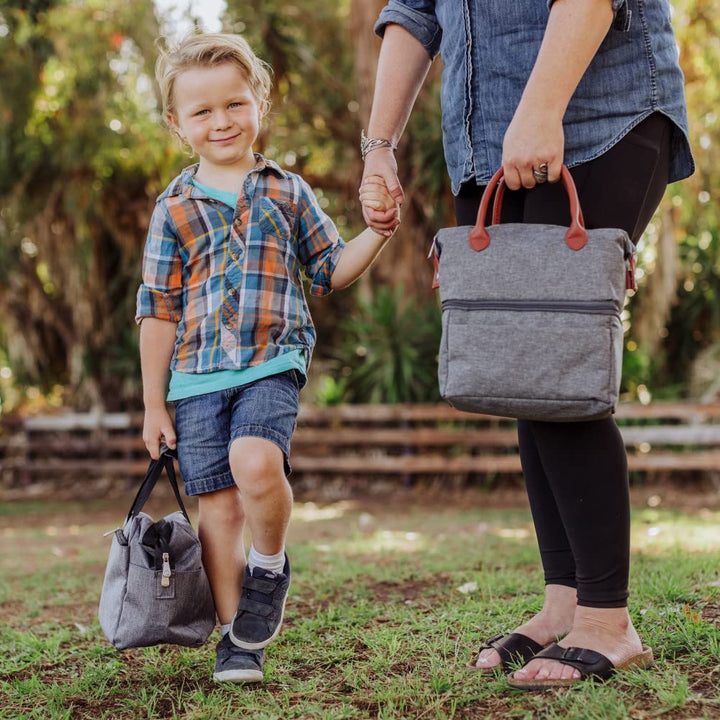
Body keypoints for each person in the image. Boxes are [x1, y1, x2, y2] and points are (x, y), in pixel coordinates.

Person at [360, 0, 693, 690]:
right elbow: (414, 12)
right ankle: (564, 603)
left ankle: (608, 621)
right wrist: (379, 145)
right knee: (525, 372)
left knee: (555, 363)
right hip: (483, 142)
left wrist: (543, 107)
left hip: (597, 116)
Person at [136, 32, 396, 684]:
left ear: (259, 102)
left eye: (234, 103)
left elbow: (331, 268)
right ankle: (237, 642)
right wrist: (151, 404)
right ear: (177, 123)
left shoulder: (287, 191)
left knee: (255, 461)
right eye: (201, 111)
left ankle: (271, 565)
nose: (220, 120)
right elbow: (158, 309)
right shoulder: (173, 208)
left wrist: (378, 233)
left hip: (270, 362)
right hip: (196, 377)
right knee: (218, 510)